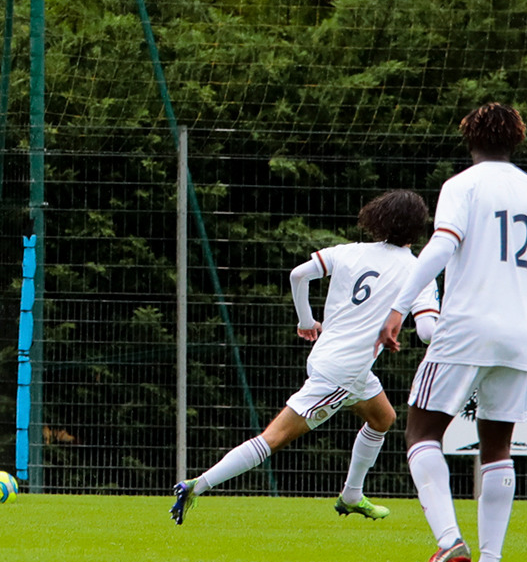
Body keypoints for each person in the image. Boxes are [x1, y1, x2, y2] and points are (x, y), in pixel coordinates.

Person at [378, 102, 527, 562]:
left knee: (421, 434)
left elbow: (442, 246)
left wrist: (399, 306)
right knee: (498, 447)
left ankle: (449, 542)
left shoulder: (461, 186)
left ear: (469, 138)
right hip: (516, 337)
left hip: (463, 329)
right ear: (517, 141)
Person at [171, 190, 440, 525]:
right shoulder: (419, 271)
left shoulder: (348, 252)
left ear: (378, 218)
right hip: (341, 373)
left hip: (333, 358)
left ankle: (351, 495)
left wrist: (305, 321)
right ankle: (197, 485)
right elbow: (428, 331)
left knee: (383, 417)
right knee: (274, 438)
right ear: (419, 229)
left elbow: (298, 274)